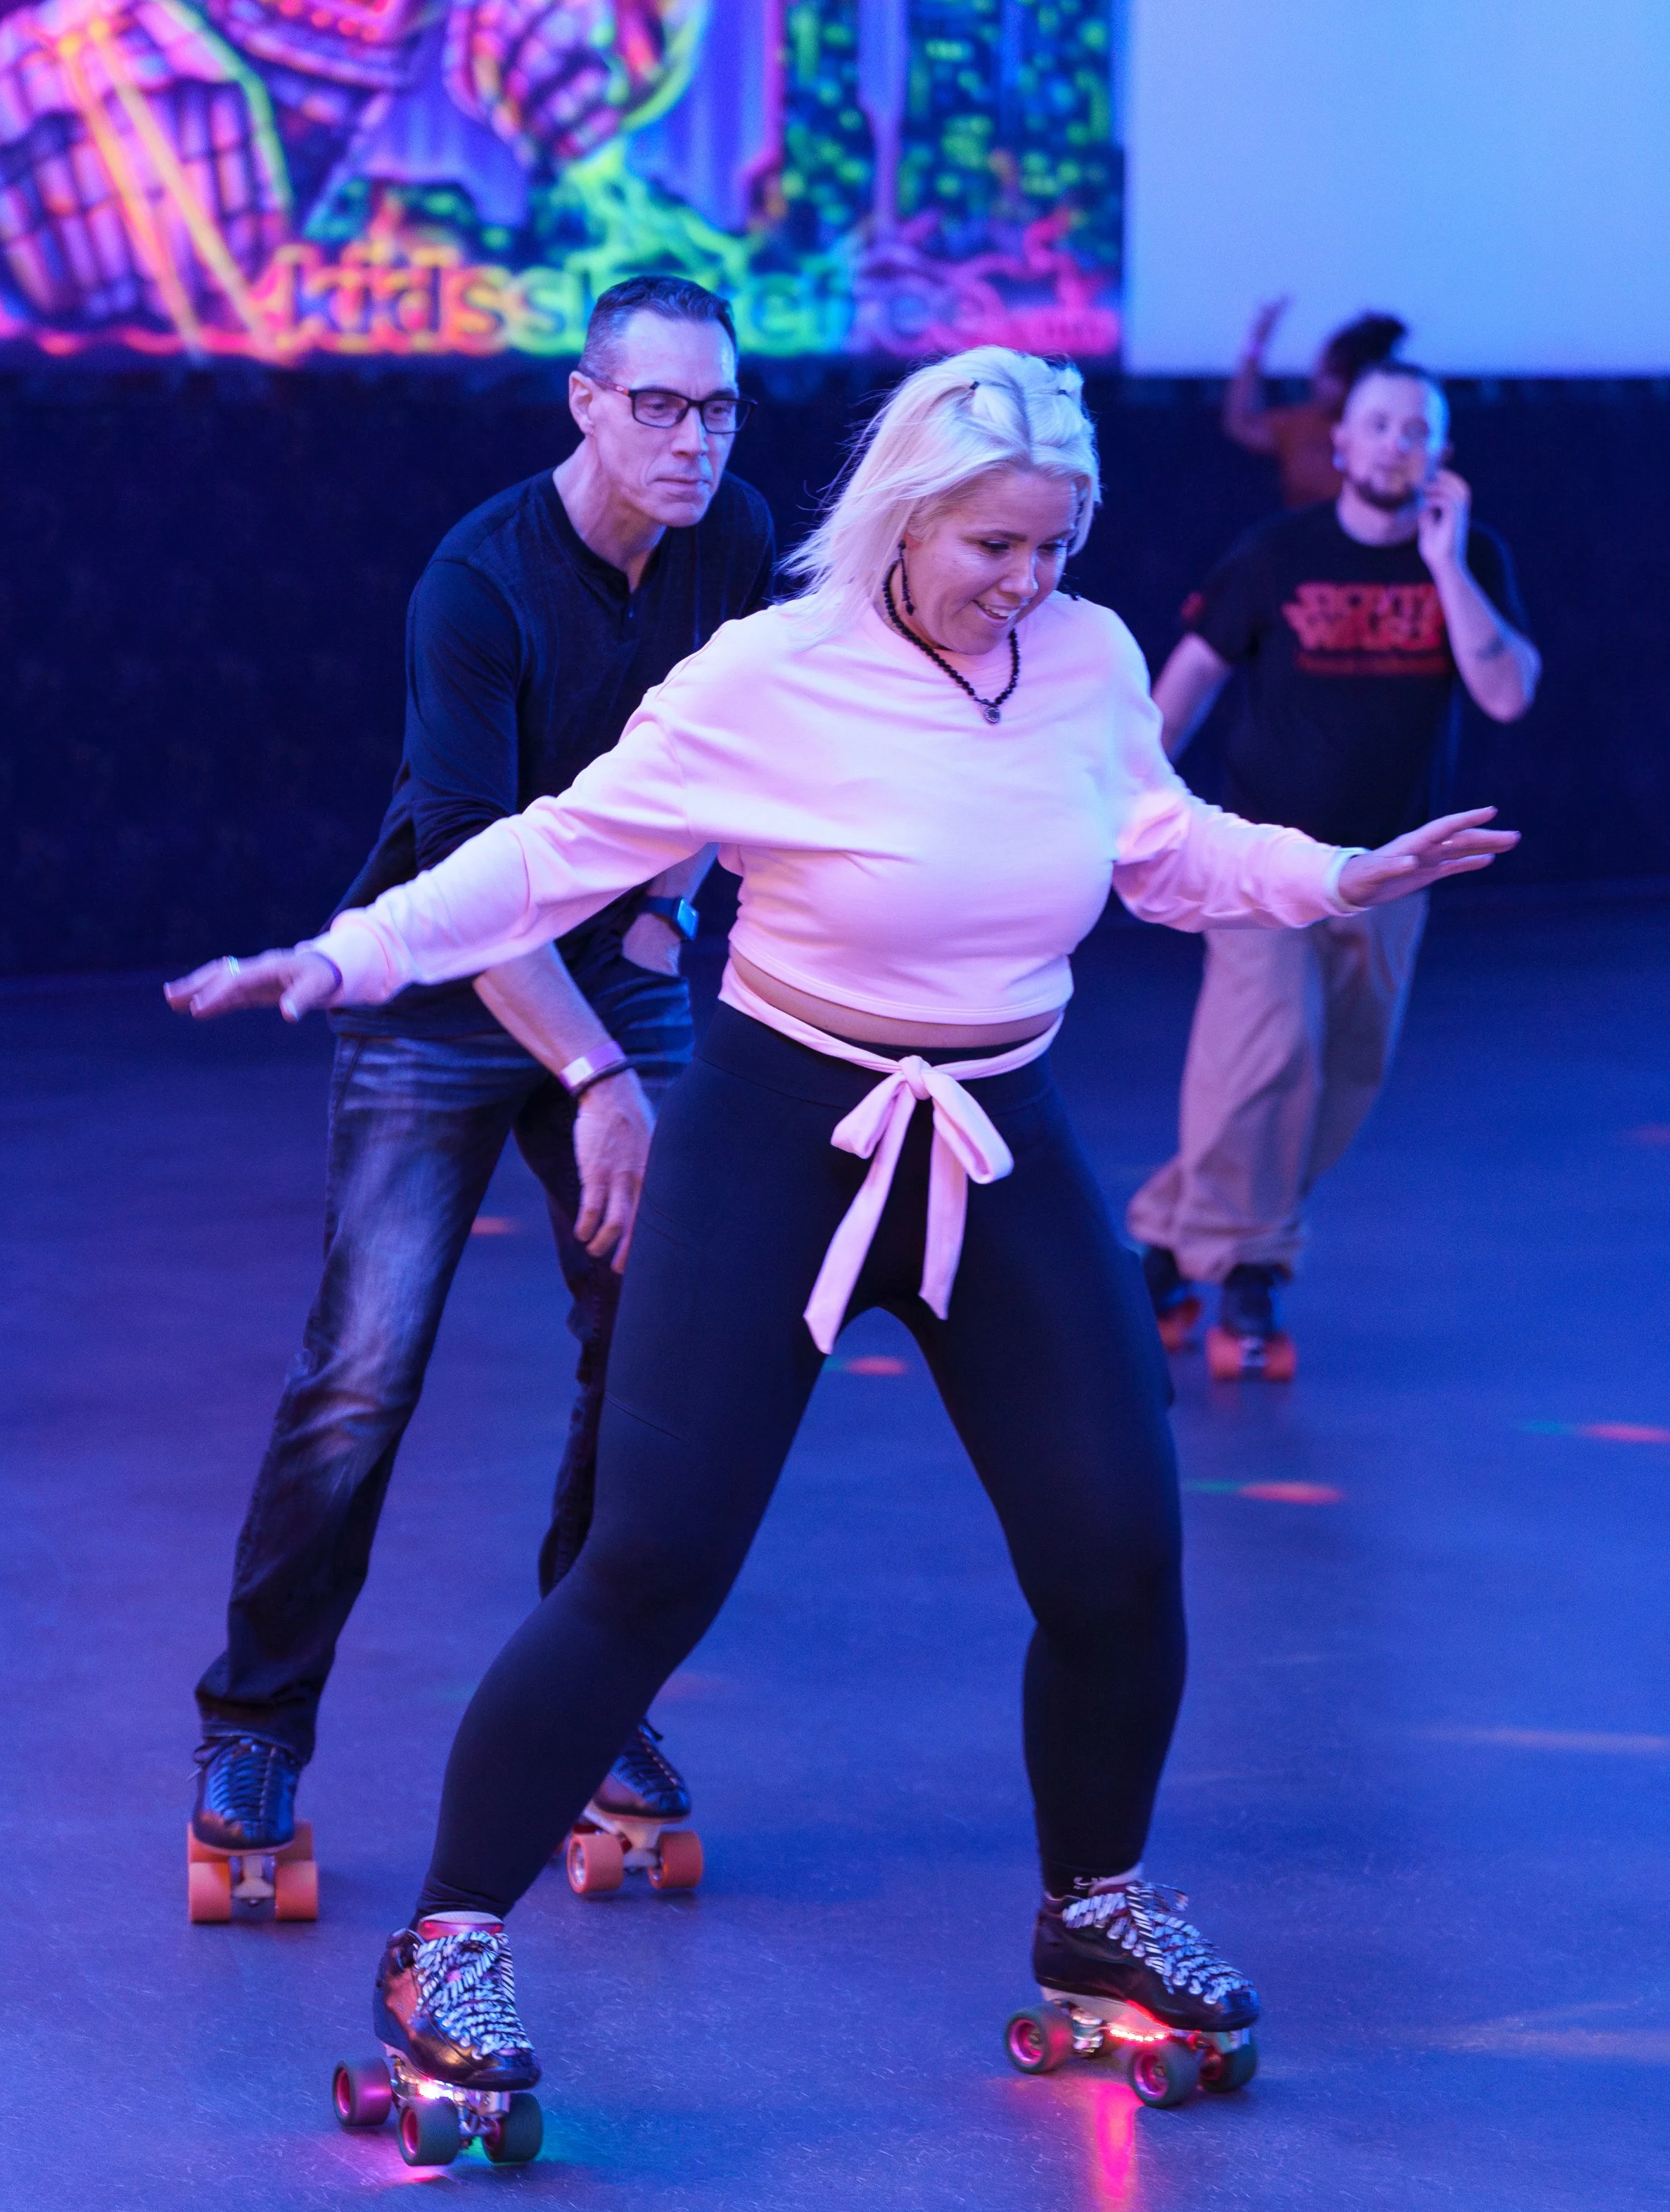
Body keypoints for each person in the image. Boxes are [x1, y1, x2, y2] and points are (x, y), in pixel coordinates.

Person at [168, 347, 1513, 2100]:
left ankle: (1092, 1902)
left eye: (1056, 544)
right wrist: (347, 954)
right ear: (905, 516)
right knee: (650, 1563)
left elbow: (1160, 843)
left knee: (1119, 1548)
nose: (1028, 581)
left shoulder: (1089, 659)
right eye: (995, 547)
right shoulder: (773, 674)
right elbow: (553, 851)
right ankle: (448, 1942)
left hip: (996, 1128)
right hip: (781, 1129)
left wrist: (1329, 877)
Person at [170, 274, 775, 1862]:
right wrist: (597, 1073)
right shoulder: (480, 582)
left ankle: (590, 1701)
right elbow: (473, 872)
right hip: (449, 973)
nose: (692, 439)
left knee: (646, 1350)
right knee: (362, 1371)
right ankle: (253, 1731)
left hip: (614, 971)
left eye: (716, 408)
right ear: (583, 402)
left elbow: (754, 742)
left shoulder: (733, 543)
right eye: (657, 405)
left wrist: (668, 913)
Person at [1130, 360, 1538, 1376]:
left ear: (1438, 455)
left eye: (1417, 431)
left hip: (1395, 869)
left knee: (1344, 1076)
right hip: (1266, 862)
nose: (1396, 444)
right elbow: (1185, 683)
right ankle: (1253, 1273)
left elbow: (1507, 696)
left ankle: (1172, 1247)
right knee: (1267, 1057)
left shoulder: (1470, 557)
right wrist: (1126, 795)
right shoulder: (1276, 554)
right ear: (1341, 444)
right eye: (1379, 426)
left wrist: (1446, 569)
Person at [1223, 302, 1408, 509]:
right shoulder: (1302, 423)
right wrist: (1257, 342)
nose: (1316, 379)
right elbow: (1241, 424)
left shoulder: (1390, 435)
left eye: (1329, 373)